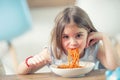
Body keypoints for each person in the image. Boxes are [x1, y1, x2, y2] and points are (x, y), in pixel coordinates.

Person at [17, 6, 118, 74]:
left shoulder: (93, 48)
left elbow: (114, 67)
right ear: (58, 37)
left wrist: (105, 38)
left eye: (78, 35)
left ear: (88, 32)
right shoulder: (54, 51)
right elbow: (20, 72)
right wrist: (29, 62)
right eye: (65, 37)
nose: (73, 43)